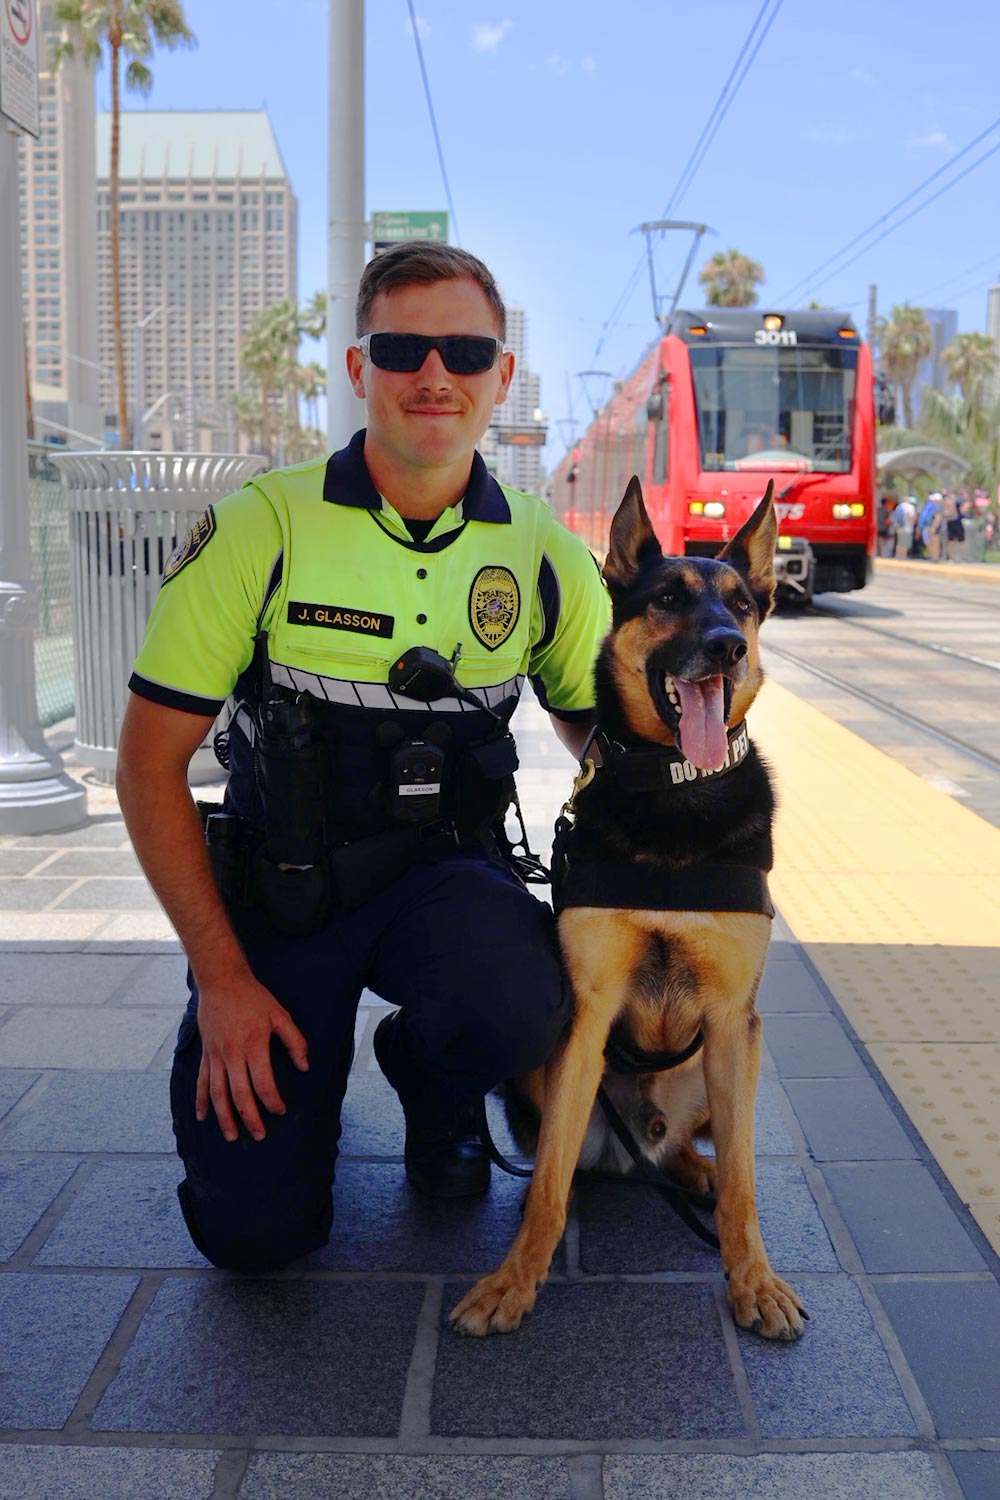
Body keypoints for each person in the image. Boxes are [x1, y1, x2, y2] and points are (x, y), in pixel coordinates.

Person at [116, 242, 611, 1272]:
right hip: (283, 898)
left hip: (443, 878)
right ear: (358, 368)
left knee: (525, 998)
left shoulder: (542, 550)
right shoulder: (265, 526)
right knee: (252, 1236)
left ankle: (433, 1087)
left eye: (467, 350)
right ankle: (302, 1093)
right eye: (403, 347)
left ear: (502, 375)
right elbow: (148, 765)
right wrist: (221, 979)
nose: (436, 374)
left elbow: (590, 727)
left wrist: (683, 793)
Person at [891, 494, 916, 559]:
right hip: (907, 527)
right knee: (905, 542)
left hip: (899, 527)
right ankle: (903, 556)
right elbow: (912, 517)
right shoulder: (910, 507)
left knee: (899, 542)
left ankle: (898, 555)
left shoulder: (899, 506)